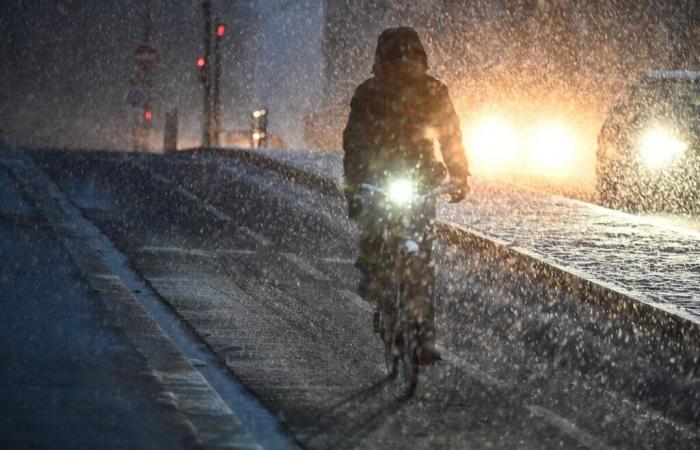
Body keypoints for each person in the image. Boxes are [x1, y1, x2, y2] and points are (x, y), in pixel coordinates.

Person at [342, 27, 470, 364]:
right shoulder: (368, 95)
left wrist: (459, 174)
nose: (403, 64)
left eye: (408, 57)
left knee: (420, 254)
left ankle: (423, 330)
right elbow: (355, 144)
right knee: (372, 222)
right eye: (396, 57)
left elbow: (450, 136)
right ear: (383, 61)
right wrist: (354, 185)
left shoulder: (433, 92)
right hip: (378, 177)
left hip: (420, 178)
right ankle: (371, 269)